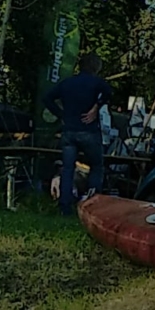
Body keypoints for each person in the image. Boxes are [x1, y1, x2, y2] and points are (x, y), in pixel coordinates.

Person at [48, 50, 118, 212]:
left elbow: (48, 98)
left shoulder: (67, 83)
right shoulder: (96, 82)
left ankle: (64, 207)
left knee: (67, 168)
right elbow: (108, 92)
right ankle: (93, 204)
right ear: (96, 68)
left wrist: (61, 115)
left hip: (69, 131)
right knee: (96, 165)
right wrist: (96, 107)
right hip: (89, 131)